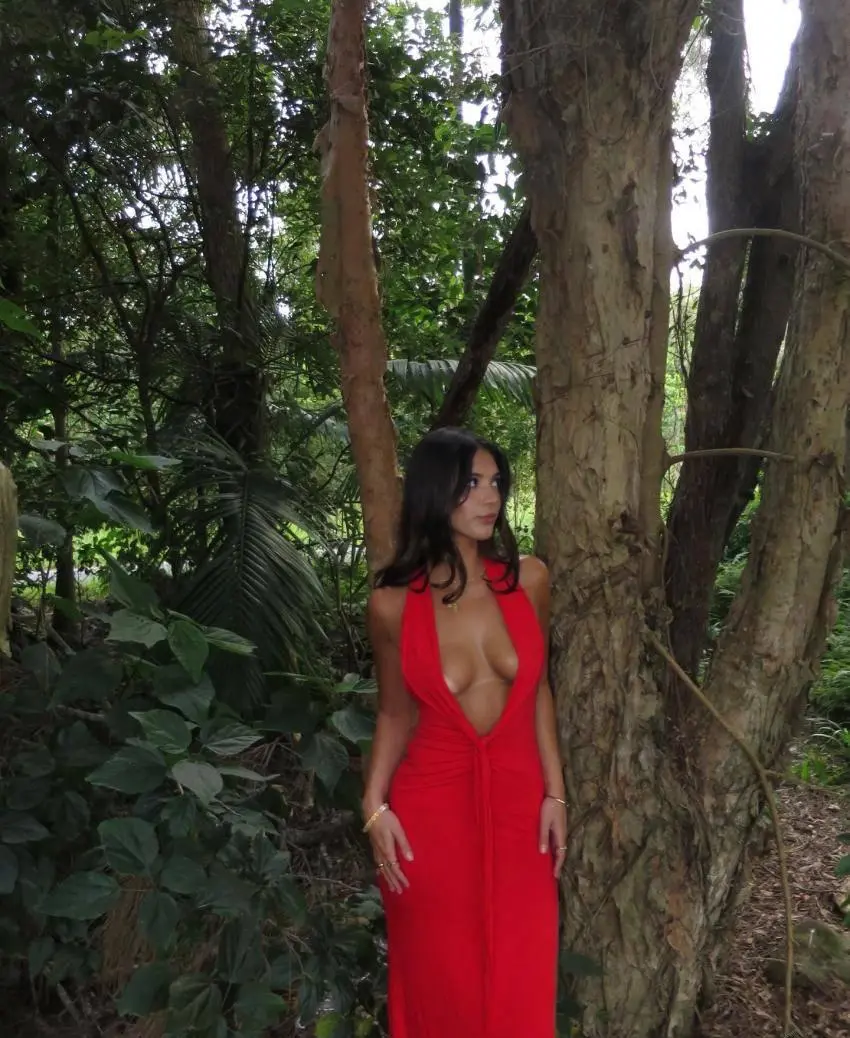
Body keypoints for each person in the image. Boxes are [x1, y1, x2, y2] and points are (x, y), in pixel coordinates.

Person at [362, 427, 566, 1038]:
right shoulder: (392, 604)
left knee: (521, 980)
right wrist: (373, 805)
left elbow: (539, 691)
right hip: (430, 816)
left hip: (520, 809)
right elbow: (394, 713)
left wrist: (556, 794)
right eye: (472, 483)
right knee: (442, 984)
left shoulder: (528, 580)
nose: (490, 496)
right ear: (435, 491)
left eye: (496, 482)